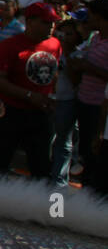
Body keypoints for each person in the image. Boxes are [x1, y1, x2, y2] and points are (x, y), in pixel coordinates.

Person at [0, 3, 62, 178]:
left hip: (41, 114)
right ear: (30, 22)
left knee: (42, 166)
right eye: (45, 22)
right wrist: (28, 95)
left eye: (53, 22)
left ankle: (39, 203)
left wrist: (54, 97)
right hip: (12, 112)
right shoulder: (9, 45)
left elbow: (54, 73)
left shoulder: (55, 44)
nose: (51, 26)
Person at [68, 0, 108, 189]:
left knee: (95, 153)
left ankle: (93, 203)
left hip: (99, 107)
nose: (88, 20)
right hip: (84, 101)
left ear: (101, 18)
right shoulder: (96, 38)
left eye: (91, 16)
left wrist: (88, 67)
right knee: (85, 152)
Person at [50, 18, 86, 186]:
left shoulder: (79, 54)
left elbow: (75, 81)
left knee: (64, 142)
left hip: (67, 100)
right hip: (48, 99)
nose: (64, 37)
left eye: (69, 34)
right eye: (61, 33)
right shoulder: (49, 49)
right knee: (46, 140)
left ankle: (59, 182)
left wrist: (66, 56)